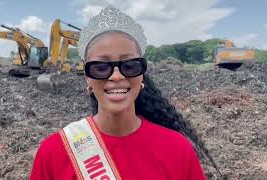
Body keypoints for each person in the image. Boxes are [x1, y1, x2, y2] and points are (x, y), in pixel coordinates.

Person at [30, 5, 220, 180]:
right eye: (101, 67)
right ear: (87, 78)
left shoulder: (178, 150)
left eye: (129, 65)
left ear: (142, 75)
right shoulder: (54, 152)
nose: (116, 76)